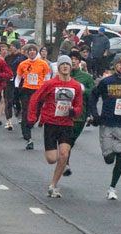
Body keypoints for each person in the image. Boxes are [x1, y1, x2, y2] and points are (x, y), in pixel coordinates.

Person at [27, 55, 83, 198]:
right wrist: (32, 117)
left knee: (64, 154)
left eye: (67, 64)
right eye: (62, 64)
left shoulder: (75, 86)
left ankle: (53, 185)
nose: (65, 67)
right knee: (52, 159)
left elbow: (79, 105)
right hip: (51, 123)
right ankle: (60, 165)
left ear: (71, 67)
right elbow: (35, 98)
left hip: (67, 124)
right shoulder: (50, 84)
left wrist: (74, 111)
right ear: (58, 67)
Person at [88, 54, 121, 200]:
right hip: (107, 123)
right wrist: (94, 114)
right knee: (109, 159)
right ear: (114, 65)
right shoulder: (106, 82)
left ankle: (112, 188)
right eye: (119, 63)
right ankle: (109, 156)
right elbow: (93, 96)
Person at [65, 49, 95, 176]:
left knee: (71, 140)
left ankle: (64, 158)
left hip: (80, 115)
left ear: (79, 61)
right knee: (65, 140)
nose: (73, 61)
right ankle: (65, 163)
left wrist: (82, 90)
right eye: (71, 59)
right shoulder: (63, 75)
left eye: (76, 59)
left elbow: (94, 94)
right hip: (64, 114)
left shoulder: (86, 77)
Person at [15, 44, 51, 150]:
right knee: (26, 111)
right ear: (27, 52)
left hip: (38, 91)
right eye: (29, 50)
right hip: (26, 90)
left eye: (33, 50)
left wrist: (46, 87)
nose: (31, 52)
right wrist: (17, 87)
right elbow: (18, 77)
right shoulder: (23, 64)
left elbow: (47, 77)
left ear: (36, 52)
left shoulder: (43, 64)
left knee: (36, 114)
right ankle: (28, 136)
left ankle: (29, 125)